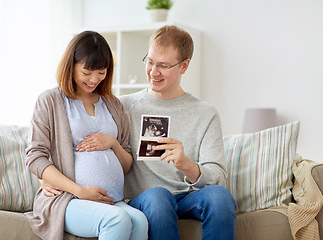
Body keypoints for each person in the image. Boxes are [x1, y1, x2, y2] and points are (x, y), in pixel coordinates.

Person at [25, 31, 148, 240]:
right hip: (69, 199)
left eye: (101, 72)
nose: (94, 79)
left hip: (112, 200)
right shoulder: (50, 101)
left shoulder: (114, 105)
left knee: (140, 221)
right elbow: (35, 158)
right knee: (117, 220)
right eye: (87, 72)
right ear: (70, 65)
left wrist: (112, 143)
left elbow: (126, 165)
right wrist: (80, 191)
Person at [118, 25, 236, 240]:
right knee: (158, 197)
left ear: (184, 66)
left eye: (163, 65)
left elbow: (218, 177)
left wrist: (187, 165)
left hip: (188, 197)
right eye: (150, 61)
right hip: (147, 198)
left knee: (220, 197)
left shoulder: (205, 113)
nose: (153, 72)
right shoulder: (123, 107)